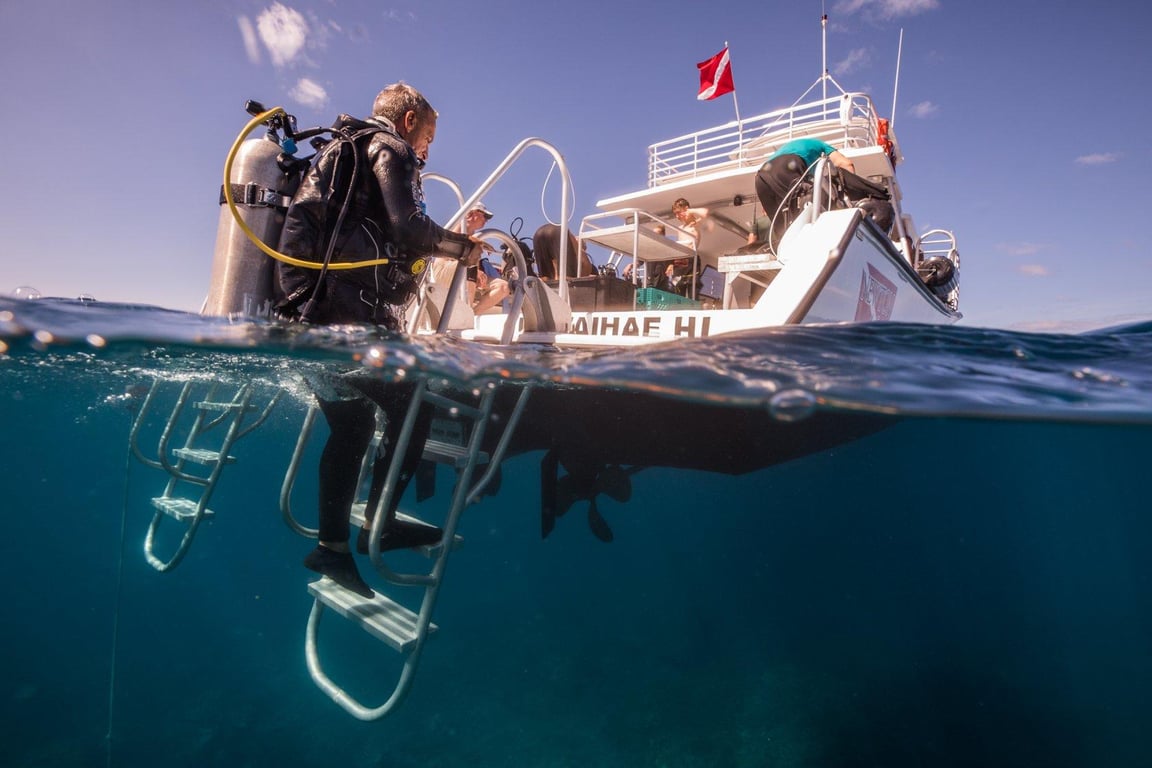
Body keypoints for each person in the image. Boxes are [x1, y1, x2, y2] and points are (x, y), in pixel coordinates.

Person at [276, 82, 482, 598]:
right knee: (414, 407)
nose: (427, 150)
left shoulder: (343, 149)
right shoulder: (390, 147)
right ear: (410, 120)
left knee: (352, 426)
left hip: (304, 312)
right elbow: (408, 229)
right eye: (428, 137)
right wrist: (463, 248)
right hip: (342, 319)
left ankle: (331, 547)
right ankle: (383, 523)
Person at [754, 137, 856, 251]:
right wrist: (849, 198)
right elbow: (846, 164)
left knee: (783, 232)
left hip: (760, 177)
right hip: (788, 165)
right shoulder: (824, 147)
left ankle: (783, 252)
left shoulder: (796, 146)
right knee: (806, 209)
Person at [462, 202, 510, 314]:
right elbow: (450, 252)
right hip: (449, 269)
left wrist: (481, 244)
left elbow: (467, 242)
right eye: (485, 216)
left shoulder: (472, 234)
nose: (486, 220)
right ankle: (466, 313)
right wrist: (475, 270)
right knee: (471, 272)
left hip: (467, 270)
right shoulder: (459, 226)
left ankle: (471, 314)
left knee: (503, 287)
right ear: (473, 213)